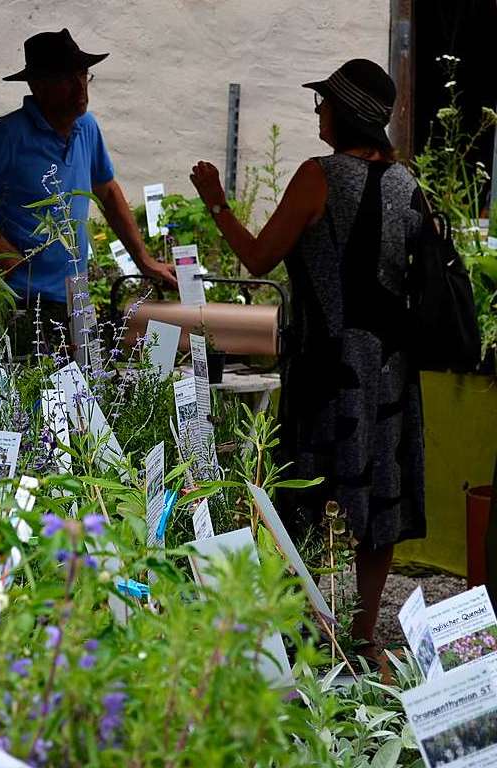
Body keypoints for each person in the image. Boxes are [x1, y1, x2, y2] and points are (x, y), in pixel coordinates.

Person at [189, 59, 426, 662]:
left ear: (342, 113)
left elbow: (258, 260)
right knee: (379, 498)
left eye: (322, 103)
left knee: (306, 492)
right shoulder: (406, 185)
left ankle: (305, 632)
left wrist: (217, 203)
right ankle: (366, 636)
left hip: (328, 368)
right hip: (391, 368)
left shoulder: (317, 178)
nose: (317, 112)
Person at [0, 29, 176, 355]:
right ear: (37, 86)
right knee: (32, 400)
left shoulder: (87, 127)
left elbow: (107, 191)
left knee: (84, 399)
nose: (80, 87)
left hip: (76, 297)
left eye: (83, 75)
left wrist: (144, 259)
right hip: (22, 300)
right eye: (67, 79)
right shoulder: (8, 136)